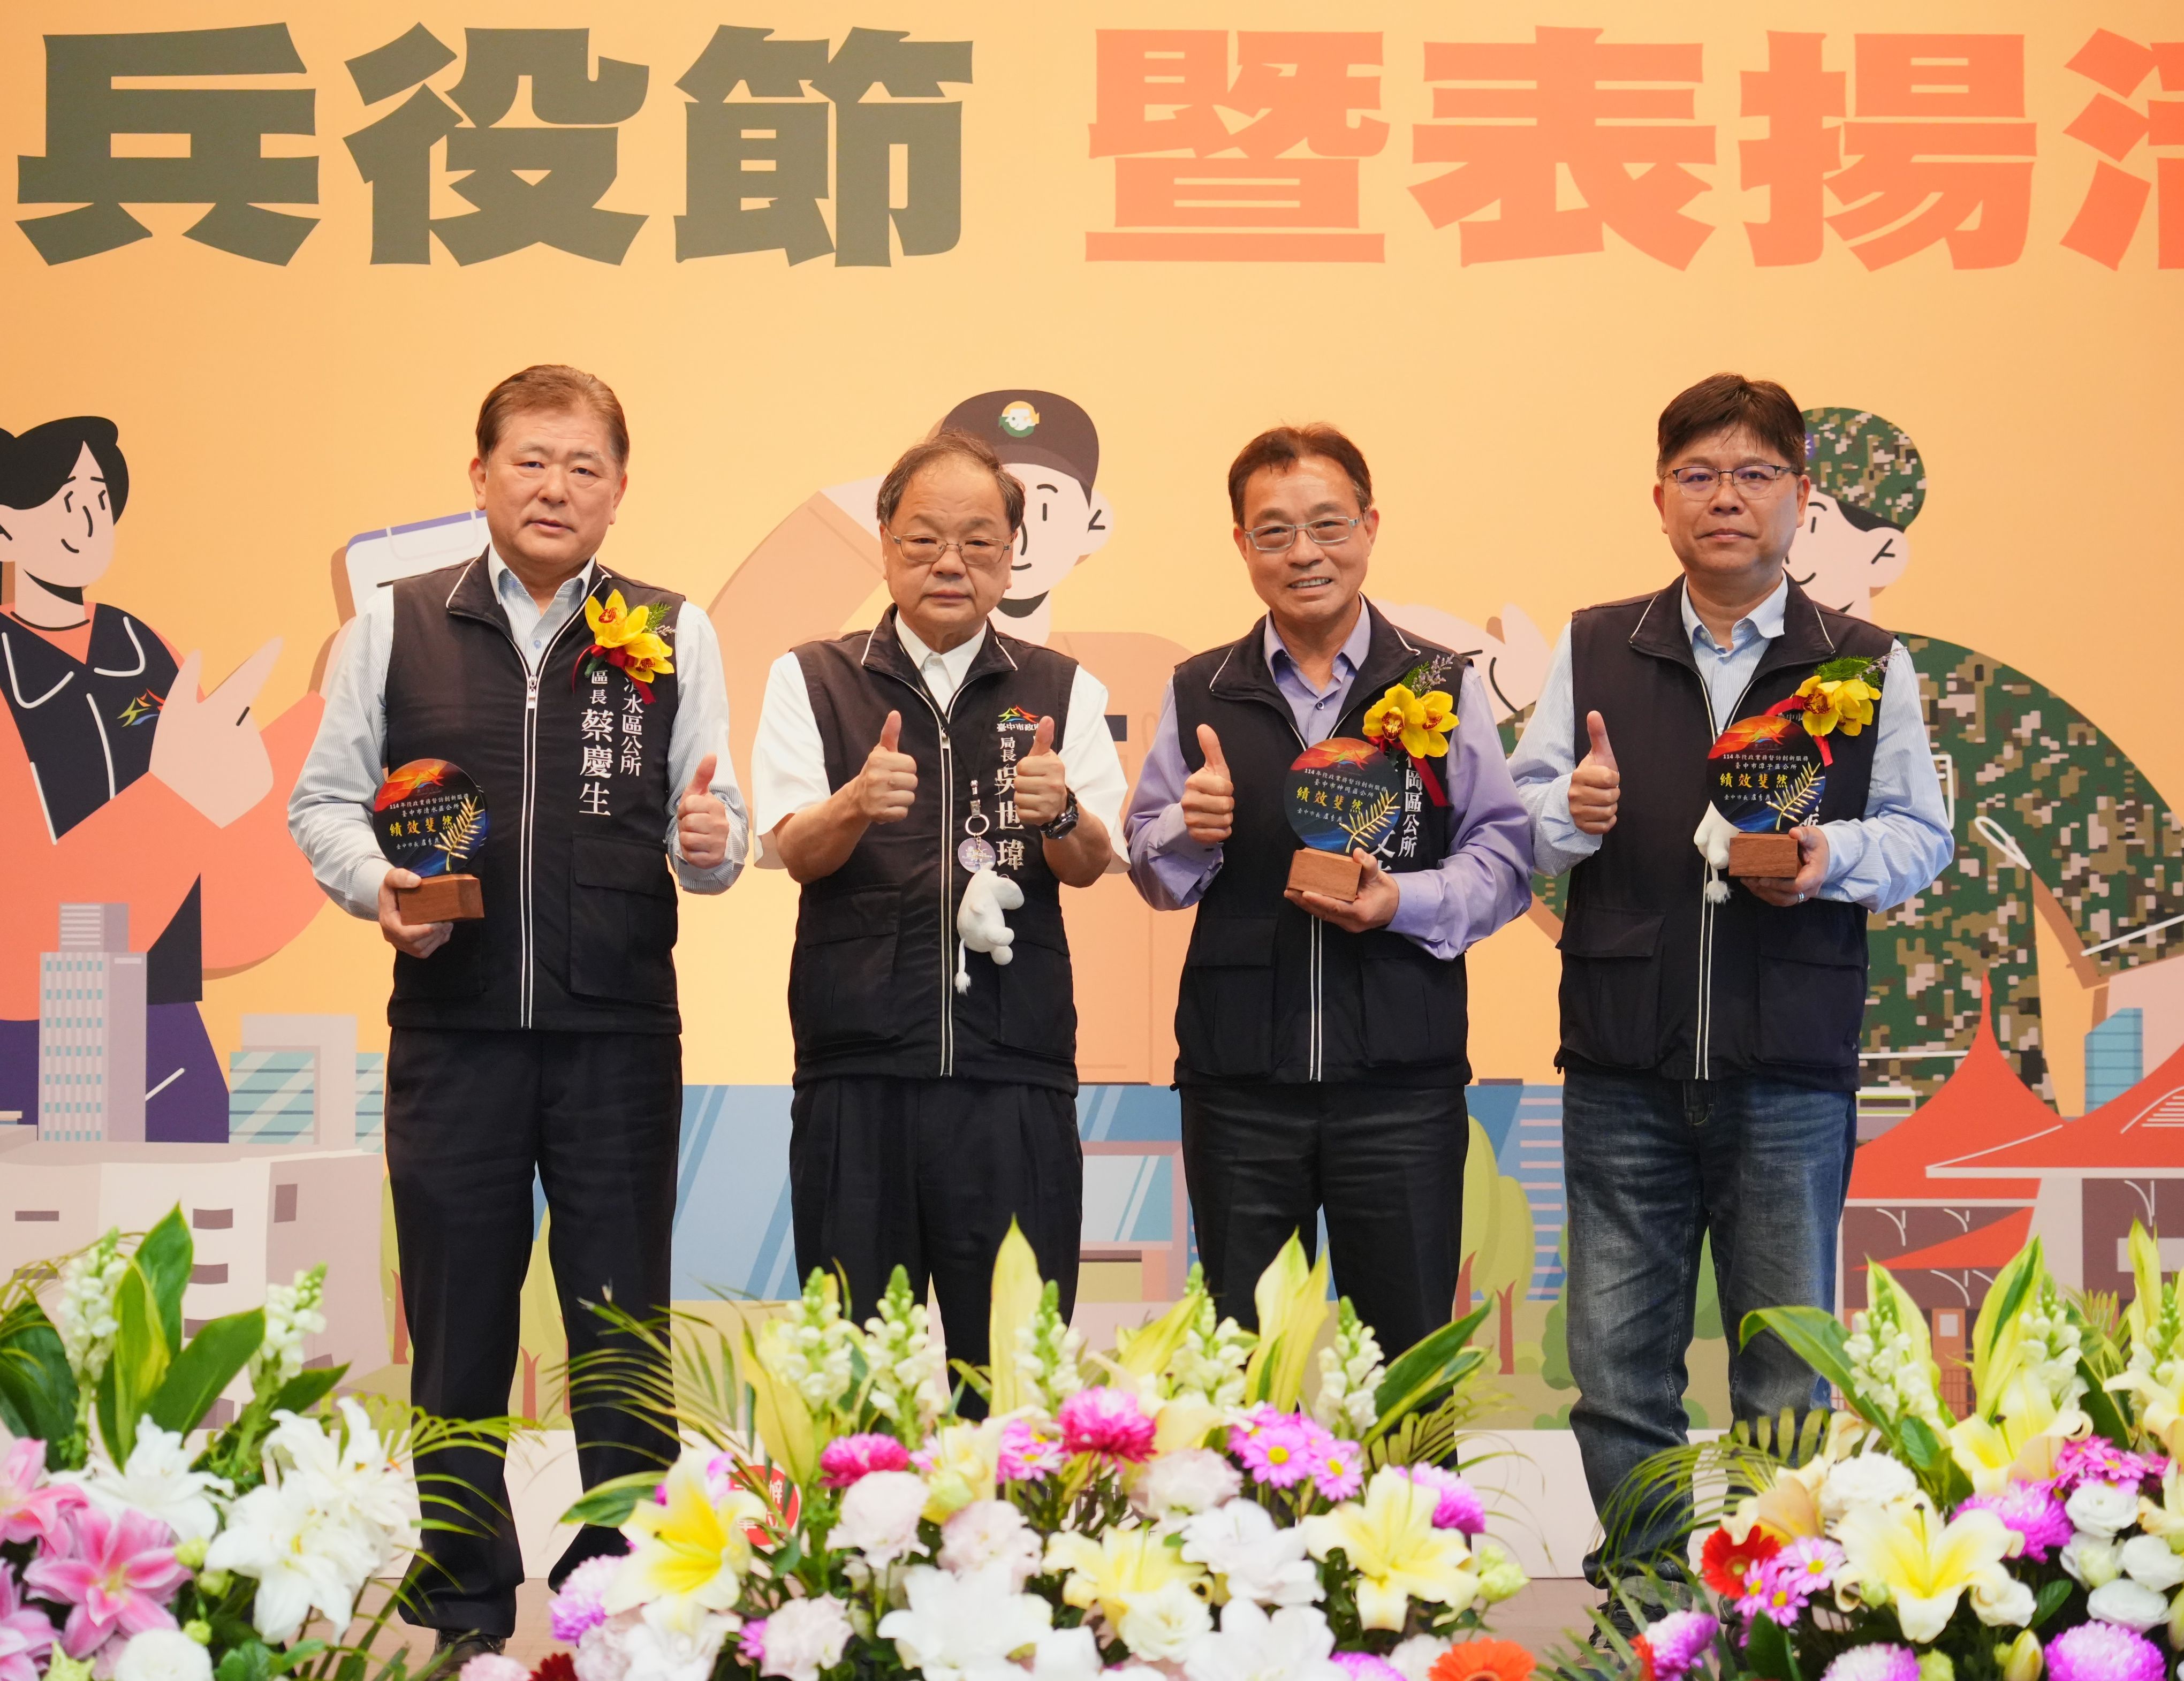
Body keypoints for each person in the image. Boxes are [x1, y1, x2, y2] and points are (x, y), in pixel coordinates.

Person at [289, 365, 748, 1660]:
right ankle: (462, 1604)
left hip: (618, 1039)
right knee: (458, 1331)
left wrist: (714, 840)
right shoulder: (396, 624)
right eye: (531, 460)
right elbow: (325, 801)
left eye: (584, 465)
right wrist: (381, 886)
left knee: (620, 1333)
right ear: (480, 472)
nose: (556, 487)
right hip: (454, 1035)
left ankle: (627, 1600)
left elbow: (715, 832)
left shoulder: (673, 630)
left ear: (619, 488)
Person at [1506, 374, 1952, 1604]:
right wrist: (1571, 810)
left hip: (1787, 1064)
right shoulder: (1598, 644)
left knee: (1785, 1370)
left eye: (1755, 474)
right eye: (1699, 474)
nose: (1726, 497)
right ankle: (1651, 1601)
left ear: (1800, 497)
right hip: (1622, 1062)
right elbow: (1521, 818)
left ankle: (1768, 1606)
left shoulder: (1862, 660)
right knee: (1618, 1365)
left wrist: (1826, 854)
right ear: (1659, 498)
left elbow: (1920, 834)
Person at [1123, 423, 1533, 1358]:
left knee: (1407, 1363)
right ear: (1242, 545)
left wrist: (1403, 902)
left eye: (1327, 524)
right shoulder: (1201, 690)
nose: (1304, 552)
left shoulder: (1438, 682)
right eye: (1274, 531)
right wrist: (1190, 824)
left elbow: (1505, 856)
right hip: (1239, 1087)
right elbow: (1151, 868)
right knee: (1243, 1363)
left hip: (1401, 1086)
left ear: (1370, 526)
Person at [750, 428, 1127, 1383]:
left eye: (978, 542)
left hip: (1014, 1073)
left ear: (1011, 554)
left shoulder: (1064, 689)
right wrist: (853, 803)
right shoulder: (812, 678)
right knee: (853, 1378)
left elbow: (1093, 862)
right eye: (924, 540)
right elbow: (794, 849)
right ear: (885, 542)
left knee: (1012, 1378)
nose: (950, 563)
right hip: (857, 1073)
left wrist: (1061, 810)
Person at [1790, 407, 2184, 1104]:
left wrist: (2119, 1121)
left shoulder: (1983, 700)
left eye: (1809, 516)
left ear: (1884, 554)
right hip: (1756, 1083)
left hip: (1961, 1100)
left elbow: (2151, 918)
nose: (1782, 539)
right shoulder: (1713, 688)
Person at [0, 416, 325, 1136]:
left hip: (161, 1010)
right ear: (5, 529)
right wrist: (179, 797)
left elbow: (224, 853)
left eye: (98, 497)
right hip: (33, 1025)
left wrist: (325, 708)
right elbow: (17, 892)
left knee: (195, 1193)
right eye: (63, 500)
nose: (88, 518)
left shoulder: (141, 645)